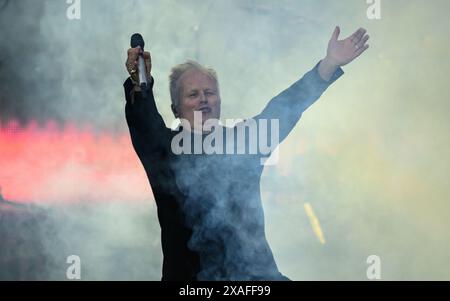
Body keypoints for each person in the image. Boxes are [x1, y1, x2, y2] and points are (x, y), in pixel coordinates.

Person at [123, 26, 369, 280]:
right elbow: (145, 122)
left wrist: (327, 66)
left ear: (219, 100)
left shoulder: (242, 142)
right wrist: (141, 83)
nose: (203, 100)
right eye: (193, 94)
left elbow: (282, 109)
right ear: (176, 109)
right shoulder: (165, 150)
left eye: (210, 93)